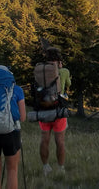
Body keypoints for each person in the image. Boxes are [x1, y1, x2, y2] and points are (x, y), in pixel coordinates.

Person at [39, 47, 70, 176]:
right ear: (59, 60)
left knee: (44, 140)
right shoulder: (63, 71)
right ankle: (60, 168)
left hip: (43, 109)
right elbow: (68, 85)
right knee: (60, 141)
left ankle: (45, 167)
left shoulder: (40, 70)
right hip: (58, 111)